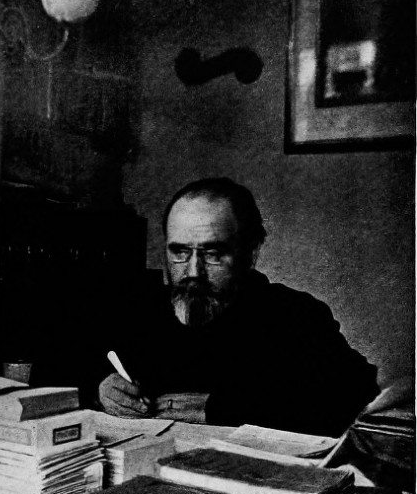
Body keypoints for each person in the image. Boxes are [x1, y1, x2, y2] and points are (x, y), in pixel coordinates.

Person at [97, 177, 379, 436]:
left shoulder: (295, 316)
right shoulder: (140, 309)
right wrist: (103, 389)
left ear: (250, 253)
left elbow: (359, 401)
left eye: (213, 254)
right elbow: (88, 364)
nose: (193, 272)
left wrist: (226, 408)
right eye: (180, 252)